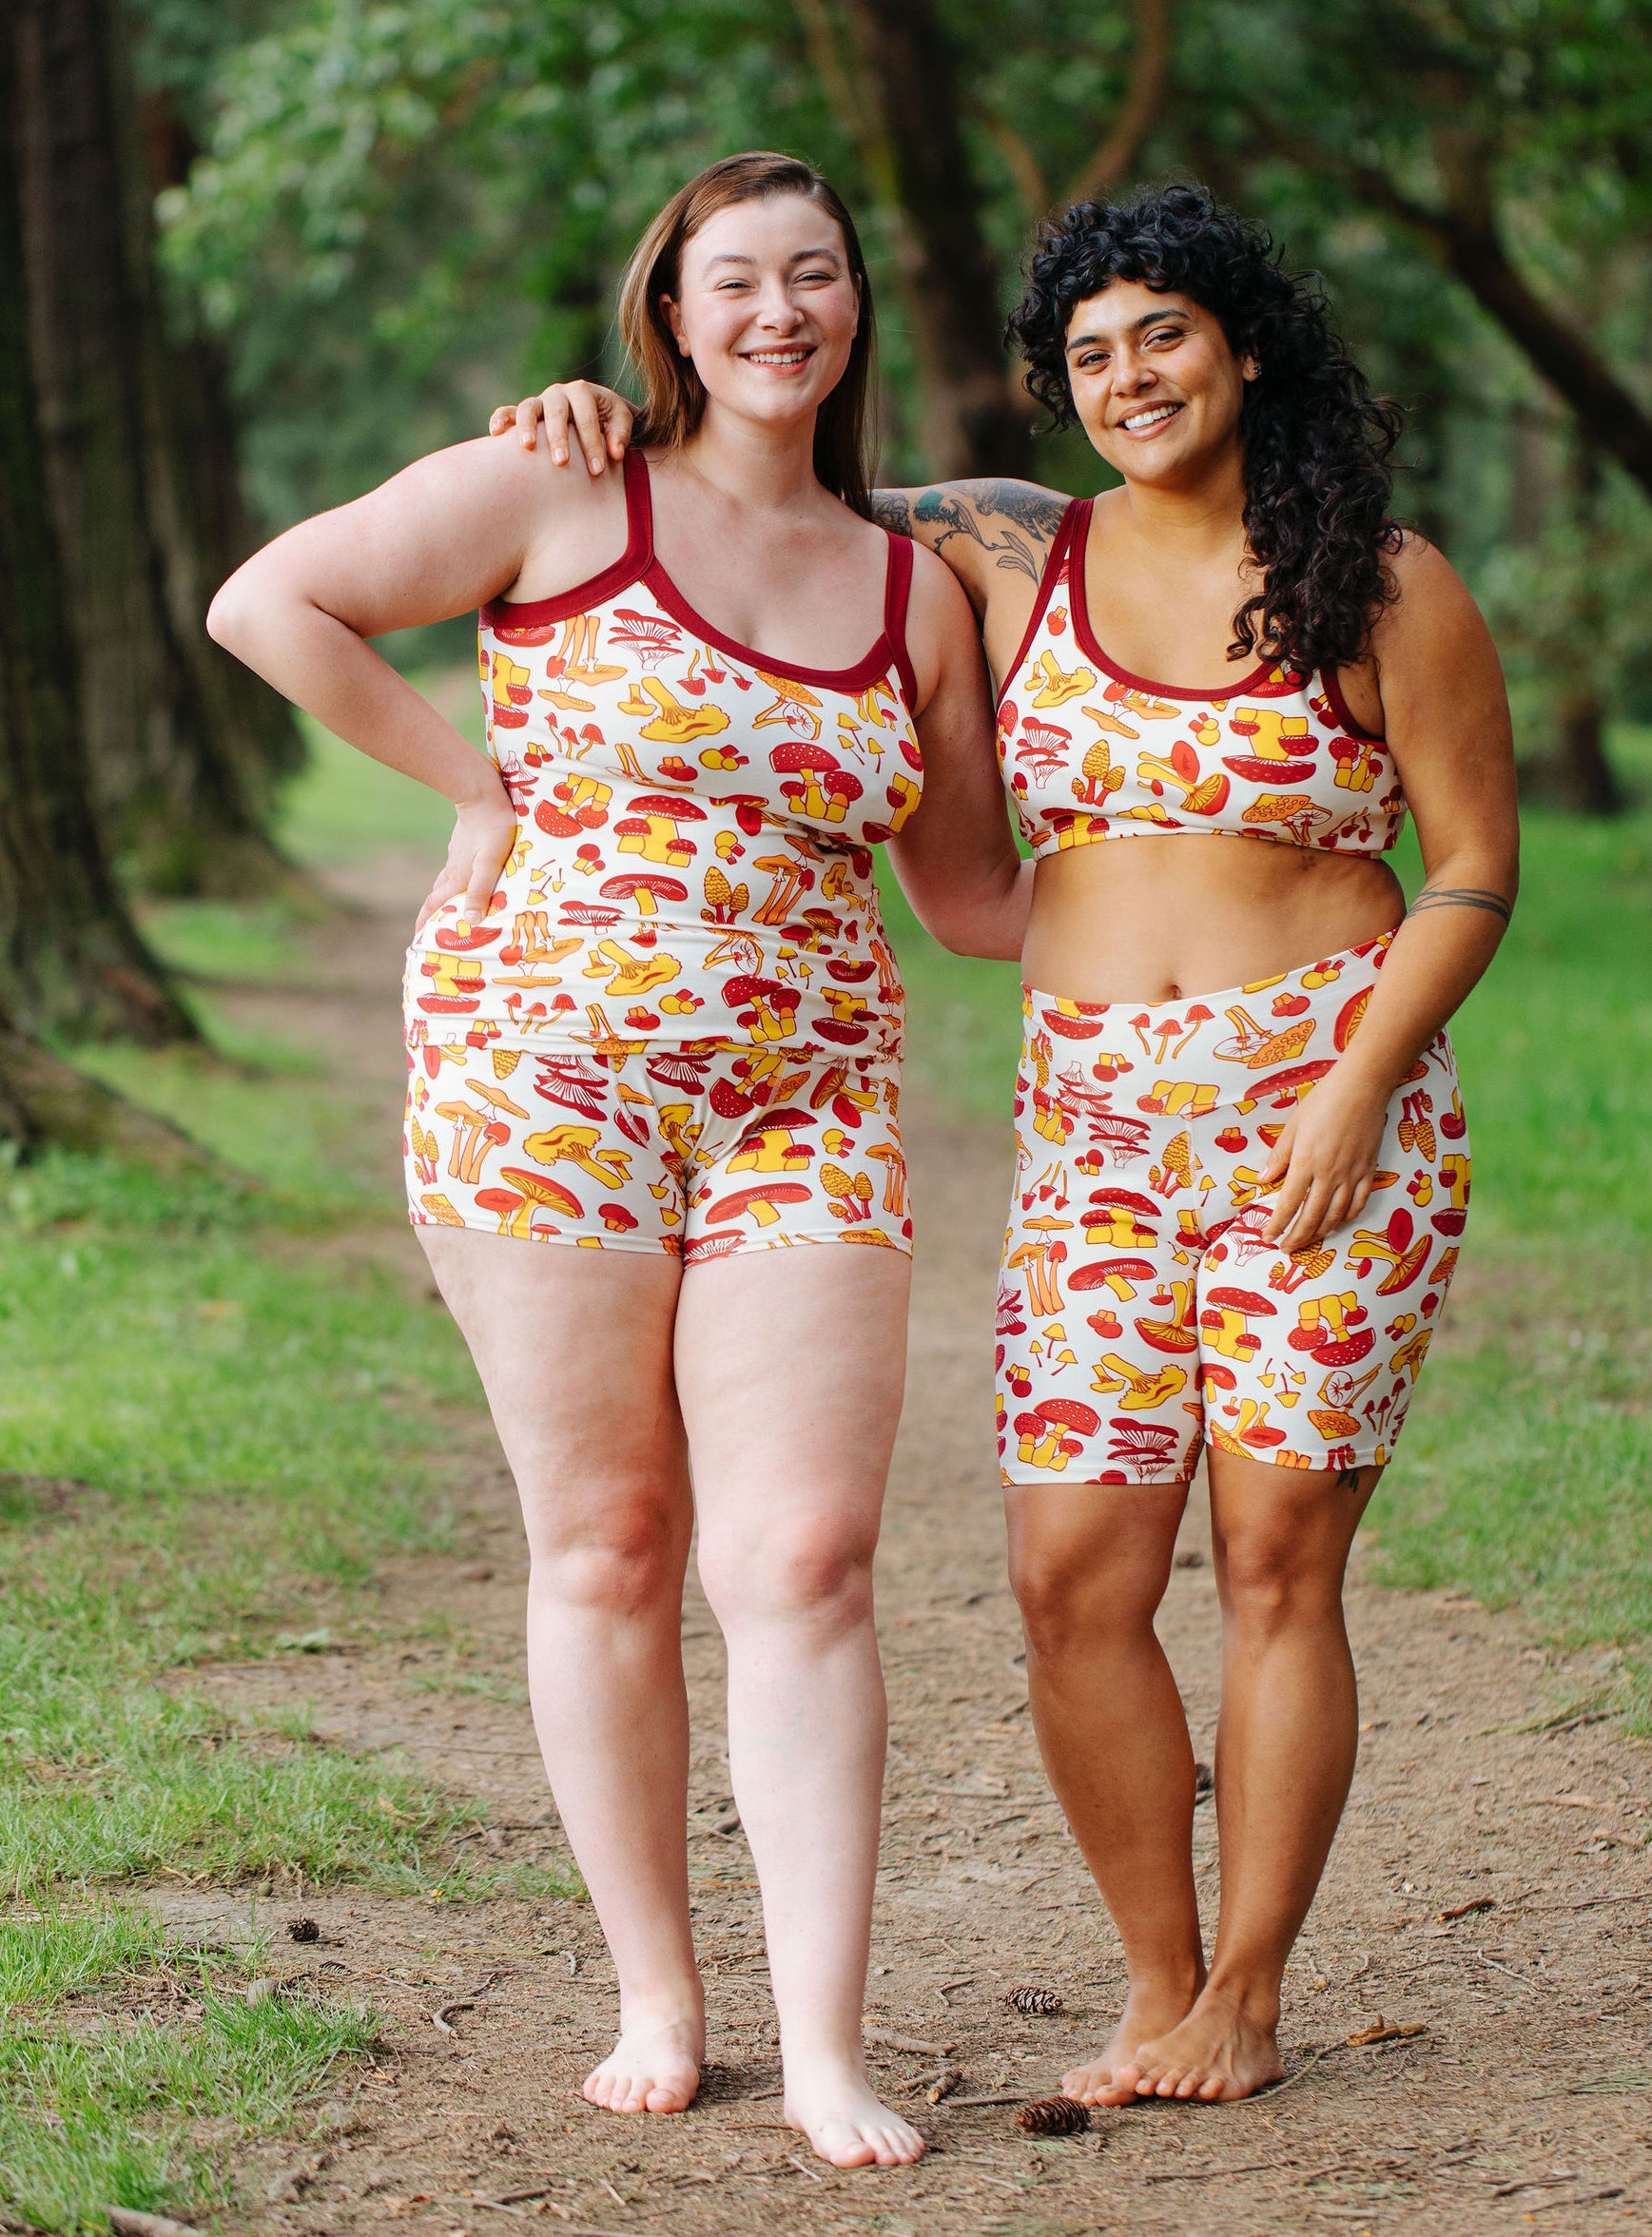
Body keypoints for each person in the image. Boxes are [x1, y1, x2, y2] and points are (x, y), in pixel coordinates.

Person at [493, 180, 1518, 2110]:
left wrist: (1354, 1088)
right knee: (1070, 1583)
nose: (1128, 376)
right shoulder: (1003, 556)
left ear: (1241, 346)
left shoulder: (1378, 581)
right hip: (1094, 1127)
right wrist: (579, 425)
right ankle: (1151, 1981)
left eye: (1164, 335)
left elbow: (1471, 872)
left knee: (1274, 1566)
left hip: (1326, 1105)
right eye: (1090, 352)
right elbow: (734, 506)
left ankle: (1246, 1989)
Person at [207, 151, 1028, 2169]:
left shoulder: (909, 581)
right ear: (668, 310)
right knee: (608, 1544)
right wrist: (468, 777)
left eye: (813, 277)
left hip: (807, 1106)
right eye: (733, 280)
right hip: (535, 1082)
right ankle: (658, 1996)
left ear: (849, 311)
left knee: (803, 1558)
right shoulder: (560, 489)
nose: (778, 312)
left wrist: (1247, 887)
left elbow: (969, 897)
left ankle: (825, 2043)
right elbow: (267, 599)